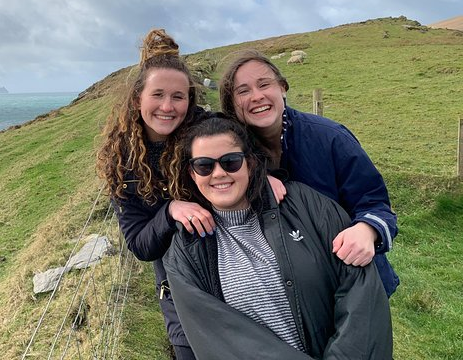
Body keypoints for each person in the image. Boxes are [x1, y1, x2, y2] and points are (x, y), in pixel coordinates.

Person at [163, 114, 393, 359]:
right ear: (192, 172)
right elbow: (221, 339)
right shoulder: (186, 251)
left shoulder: (306, 205)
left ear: (250, 163)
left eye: (231, 162)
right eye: (204, 165)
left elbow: (360, 292)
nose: (218, 173)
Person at [218, 50, 399, 297]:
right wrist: (256, 172)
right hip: (285, 295)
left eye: (264, 84)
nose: (257, 96)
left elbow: (375, 203)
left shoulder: (331, 137)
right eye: (243, 91)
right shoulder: (231, 157)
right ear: (232, 102)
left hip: (352, 281)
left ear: (282, 87)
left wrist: (367, 230)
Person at [96, 28, 213, 359]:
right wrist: (171, 210)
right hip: (178, 292)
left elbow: (245, 165)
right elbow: (141, 245)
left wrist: (267, 177)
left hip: (235, 277)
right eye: (157, 94)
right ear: (138, 99)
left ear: (189, 101)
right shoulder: (122, 160)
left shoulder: (211, 134)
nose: (167, 106)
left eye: (178, 96)